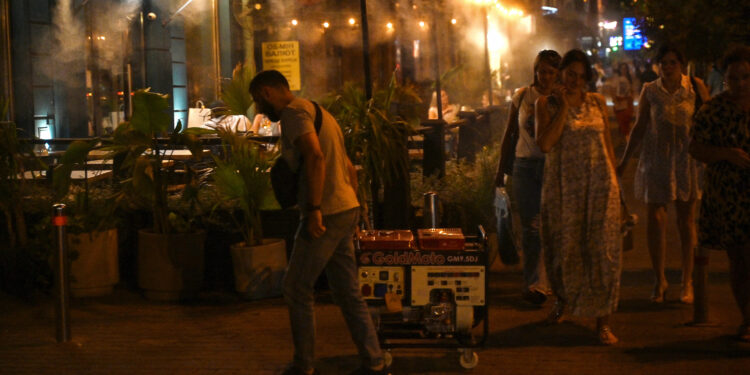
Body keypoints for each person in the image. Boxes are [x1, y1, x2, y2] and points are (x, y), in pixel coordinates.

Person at [249, 70, 388, 375]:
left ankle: (304, 365)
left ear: (268, 92)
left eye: (258, 100)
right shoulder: (320, 111)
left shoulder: (294, 114)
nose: (259, 108)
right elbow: (348, 166)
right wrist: (356, 207)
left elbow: (314, 158)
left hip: (325, 212)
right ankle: (373, 358)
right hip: (344, 208)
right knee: (347, 291)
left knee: (296, 287)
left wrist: (313, 210)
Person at [535, 49, 622, 345]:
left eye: (580, 76)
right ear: (560, 74)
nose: (574, 81)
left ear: (587, 79)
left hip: (600, 187)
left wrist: (617, 190)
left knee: (603, 252)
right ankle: (563, 301)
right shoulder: (545, 104)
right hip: (565, 191)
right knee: (564, 250)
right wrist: (564, 108)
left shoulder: (597, 103)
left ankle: (603, 322)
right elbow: (545, 144)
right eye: (569, 74)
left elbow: (608, 144)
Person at [617, 45, 709, 305]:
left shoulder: (695, 86)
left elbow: (711, 118)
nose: (668, 67)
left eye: (673, 63)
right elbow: (640, 127)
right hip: (656, 160)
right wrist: (624, 162)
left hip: (686, 160)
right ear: (658, 65)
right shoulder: (650, 90)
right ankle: (660, 280)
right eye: (664, 63)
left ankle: (687, 281)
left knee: (686, 221)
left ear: (681, 64)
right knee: (656, 221)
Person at [689, 45, 750, 342]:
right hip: (730, 197)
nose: (740, 84)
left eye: (746, 77)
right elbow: (695, 147)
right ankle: (748, 319)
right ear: (724, 78)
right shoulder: (714, 109)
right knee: (740, 258)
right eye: (734, 78)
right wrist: (725, 154)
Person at [494, 50, 562, 306]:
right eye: (541, 71)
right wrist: (501, 169)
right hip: (524, 166)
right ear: (535, 71)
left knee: (553, 225)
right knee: (531, 227)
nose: (545, 77)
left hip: (552, 166)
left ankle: (555, 282)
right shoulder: (522, 96)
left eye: (551, 72)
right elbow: (510, 133)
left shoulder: (560, 99)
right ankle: (534, 284)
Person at [612, 62, 635, 139]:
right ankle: (625, 140)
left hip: (628, 103)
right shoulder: (617, 79)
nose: (623, 70)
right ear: (619, 69)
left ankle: (625, 140)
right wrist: (615, 100)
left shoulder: (629, 79)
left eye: (625, 68)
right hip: (620, 103)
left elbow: (632, 91)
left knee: (626, 122)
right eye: (622, 68)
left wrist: (631, 100)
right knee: (622, 123)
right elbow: (614, 91)